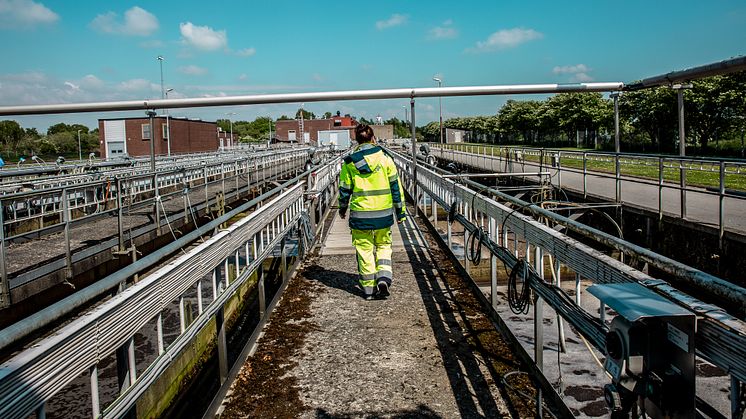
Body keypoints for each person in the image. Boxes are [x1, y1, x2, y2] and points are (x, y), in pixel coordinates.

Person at [338, 124, 406, 299]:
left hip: (360, 215)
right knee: (383, 246)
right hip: (383, 213)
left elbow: (344, 189)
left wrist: (342, 209)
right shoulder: (385, 158)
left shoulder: (350, 162)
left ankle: (368, 290)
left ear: (356, 139)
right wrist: (400, 212)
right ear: (373, 137)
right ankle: (383, 277)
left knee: (364, 250)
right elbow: (396, 188)